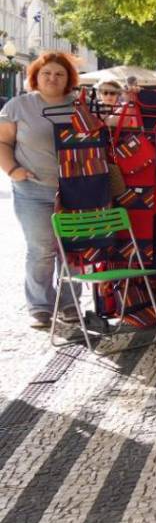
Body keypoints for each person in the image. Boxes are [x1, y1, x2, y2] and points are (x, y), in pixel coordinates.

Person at [0, 52, 82, 329]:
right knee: (41, 249)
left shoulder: (78, 106)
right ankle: (40, 307)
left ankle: (70, 304)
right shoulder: (18, 106)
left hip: (73, 190)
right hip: (32, 191)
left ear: (68, 79)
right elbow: (2, 143)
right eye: (47, 73)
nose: (52, 78)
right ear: (35, 75)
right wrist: (13, 171)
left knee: (71, 250)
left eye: (59, 74)